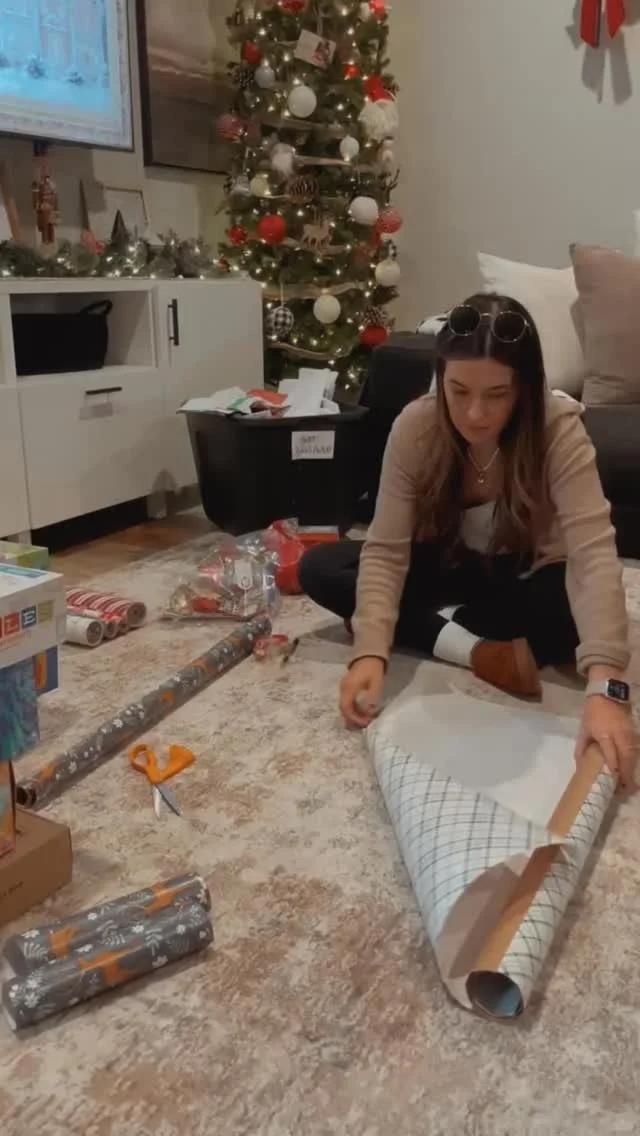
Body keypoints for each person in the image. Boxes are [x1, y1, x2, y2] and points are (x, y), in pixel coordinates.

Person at [299, 293, 637, 784]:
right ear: (440, 379)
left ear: (524, 388)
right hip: (446, 564)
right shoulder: (416, 426)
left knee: (570, 614)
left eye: (497, 394)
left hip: (519, 572)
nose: (475, 414)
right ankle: (473, 646)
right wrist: (370, 651)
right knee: (322, 569)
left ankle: (430, 625)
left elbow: (593, 553)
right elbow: (387, 551)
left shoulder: (558, 429)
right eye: (458, 391)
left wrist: (607, 688)